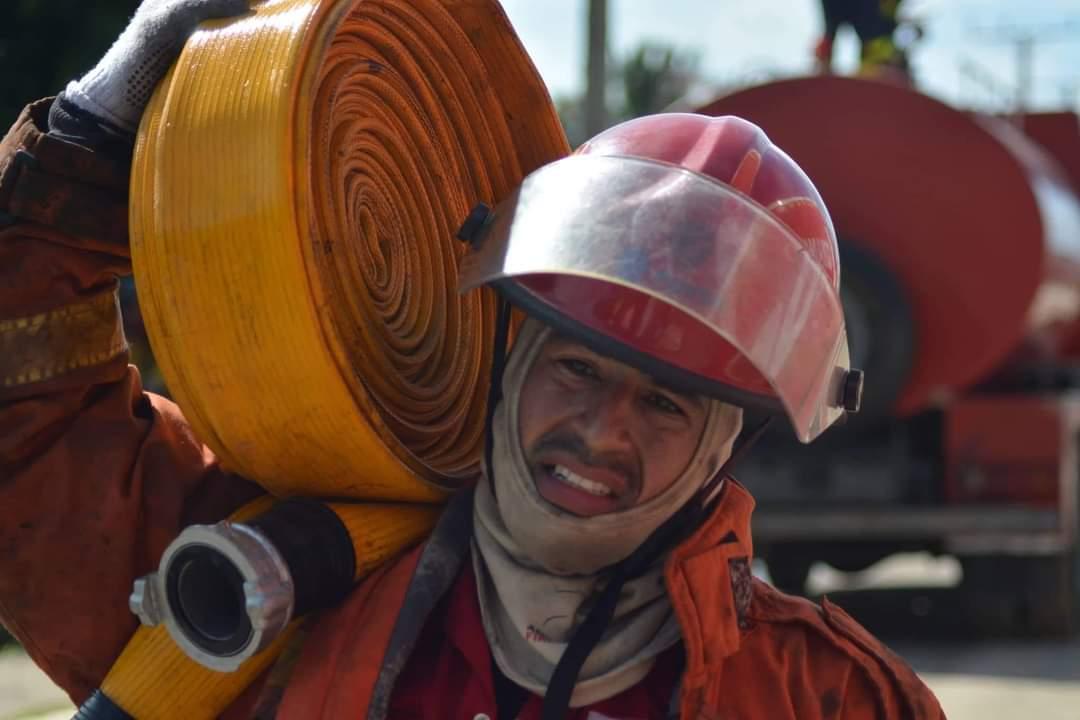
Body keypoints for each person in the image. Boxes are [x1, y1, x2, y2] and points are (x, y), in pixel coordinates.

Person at [0, 1, 945, 718]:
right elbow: (26, 421)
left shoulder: (824, 698)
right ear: (508, 351)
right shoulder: (263, 590)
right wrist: (89, 133)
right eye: (576, 367)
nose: (600, 432)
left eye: (666, 405)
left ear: (724, 448)